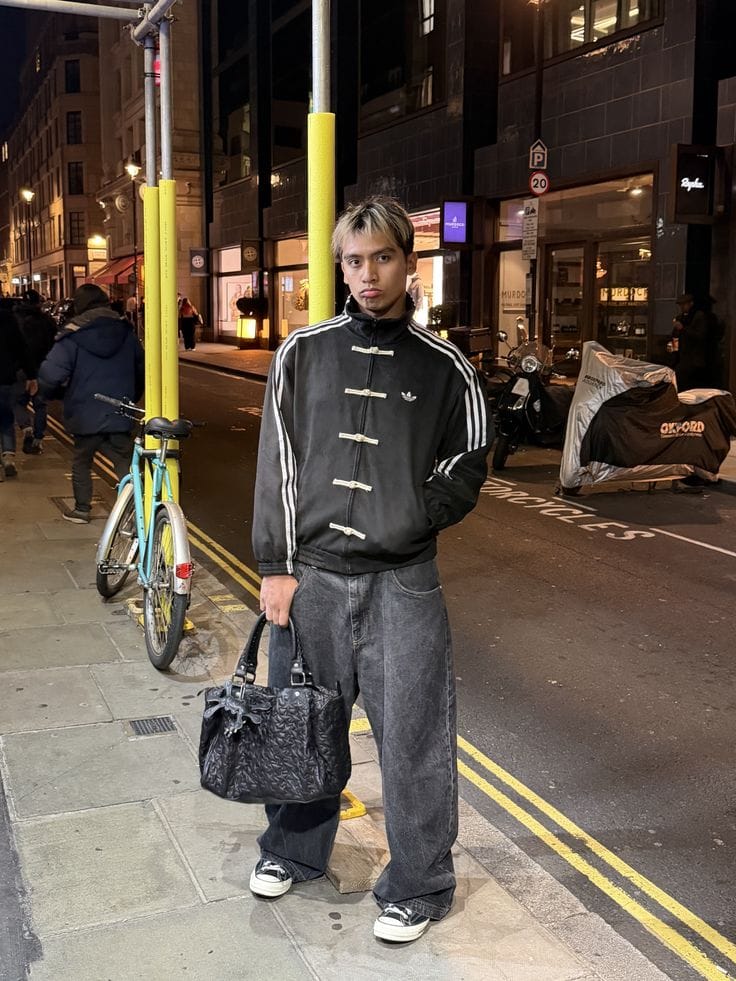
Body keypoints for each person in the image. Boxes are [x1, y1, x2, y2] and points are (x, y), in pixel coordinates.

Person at [250, 197, 490, 944]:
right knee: (303, 724)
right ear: (340, 266)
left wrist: (412, 516)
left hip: (404, 585)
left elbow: (469, 459)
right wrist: (275, 565)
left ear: (407, 262)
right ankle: (293, 849)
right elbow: (278, 463)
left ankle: (419, 884)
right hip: (312, 579)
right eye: (353, 260)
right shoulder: (302, 352)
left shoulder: (446, 366)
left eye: (382, 257)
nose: (367, 274)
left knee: (415, 736)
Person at [38, 284, 144, 523]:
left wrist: (52, 394)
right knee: (123, 461)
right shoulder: (126, 332)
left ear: (79, 306)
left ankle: (82, 509)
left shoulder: (73, 336)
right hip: (119, 410)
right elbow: (140, 371)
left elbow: (50, 375)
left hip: (84, 411)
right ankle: (135, 512)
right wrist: (129, 399)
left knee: (82, 461)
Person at [13, 288, 56, 454]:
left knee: (17, 402)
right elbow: (55, 343)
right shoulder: (46, 321)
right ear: (38, 302)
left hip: (20, 368)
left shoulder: (16, 320)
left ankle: (26, 427)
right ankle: (38, 440)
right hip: (42, 367)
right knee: (40, 405)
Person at [0, 298, 37, 479]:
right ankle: (8, 457)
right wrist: (31, 375)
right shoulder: (8, 320)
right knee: (6, 419)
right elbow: (22, 349)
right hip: (5, 377)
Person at [672, 293, 723, 392]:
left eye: (684, 304)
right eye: (680, 304)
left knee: (690, 385)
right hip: (683, 356)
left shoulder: (699, 316)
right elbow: (676, 336)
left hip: (695, 358)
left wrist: (683, 328)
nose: (682, 307)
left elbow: (700, 335)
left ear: (691, 304)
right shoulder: (680, 317)